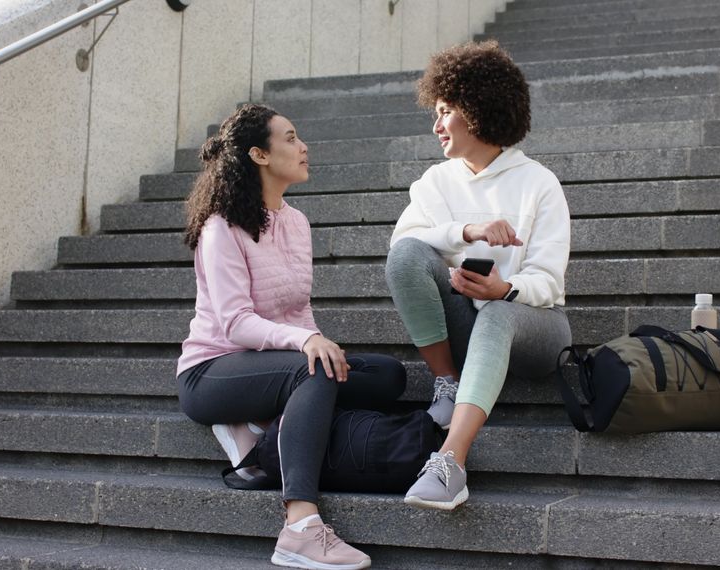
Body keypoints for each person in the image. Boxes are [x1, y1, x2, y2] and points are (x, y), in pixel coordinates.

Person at [177, 103, 406, 570]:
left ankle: (264, 428)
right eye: (290, 138)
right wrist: (305, 346)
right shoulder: (221, 228)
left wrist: (319, 341)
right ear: (259, 155)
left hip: (273, 367)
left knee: (387, 375)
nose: (303, 147)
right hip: (212, 371)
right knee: (312, 372)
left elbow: (298, 310)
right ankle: (300, 525)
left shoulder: (296, 222)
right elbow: (235, 322)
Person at [385, 40, 572, 511]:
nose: (436, 124)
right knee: (408, 252)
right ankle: (447, 382)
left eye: (445, 110)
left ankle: (451, 462)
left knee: (497, 314)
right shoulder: (435, 182)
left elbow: (548, 280)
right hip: (465, 325)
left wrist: (503, 289)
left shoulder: (539, 183)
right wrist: (467, 231)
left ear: (476, 108)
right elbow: (403, 249)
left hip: (535, 327)